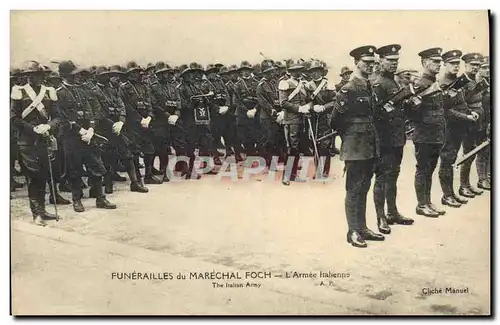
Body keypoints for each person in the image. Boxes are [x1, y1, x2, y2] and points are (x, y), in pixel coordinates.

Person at [330, 45, 384, 248]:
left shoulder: (370, 86)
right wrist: (350, 136)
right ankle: (352, 230)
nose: (370, 66)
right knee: (354, 189)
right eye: (366, 62)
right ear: (356, 63)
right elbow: (335, 120)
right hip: (355, 145)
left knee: (364, 187)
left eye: (373, 62)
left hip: (370, 144)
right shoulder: (349, 88)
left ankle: (362, 228)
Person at [56, 60, 117, 212]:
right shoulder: (59, 93)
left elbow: (93, 111)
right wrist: (80, 131)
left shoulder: (83, 90)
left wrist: (91, 129)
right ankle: (77, 199)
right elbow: (62, 117)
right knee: (74, 169)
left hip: (89, 135)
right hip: (71, 137)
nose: (77, 77)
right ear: (65, 75)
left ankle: (100, 198)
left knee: (96, 165)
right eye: (73, 74)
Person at [10, 61, 62, 225]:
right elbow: (14, 118)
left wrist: (48, 126)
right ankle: (36, 214)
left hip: (44, 139)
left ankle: (42, 210)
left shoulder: (49, 92)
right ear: (26, 76)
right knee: (33, 176)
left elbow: (58, 116)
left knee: (44, 174)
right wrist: (32, 129)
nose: (34, 78)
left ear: (42, 76)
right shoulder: (19, 92)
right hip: (27, 141)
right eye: (30, 75)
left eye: (37, 75)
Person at [372, 44, 415, 234]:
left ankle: (393, 212)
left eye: (396, 61)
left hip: (397, 137)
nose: (393, 64)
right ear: (380, 61)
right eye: (390, 61)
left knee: (393, 175)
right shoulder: (377, 83)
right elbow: (374, 113)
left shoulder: (396, 82)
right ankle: (381, 217)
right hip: (384, 138)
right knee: (382, 178)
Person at [92, 65, 149, 193]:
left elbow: (121, 106)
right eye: (103, 76)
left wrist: (121, 121)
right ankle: (108, 184)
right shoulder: (94, 91)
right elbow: (98, 112)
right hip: (104, 129)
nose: (106, 78)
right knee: (107, 157)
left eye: (107, 75)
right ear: (97, 77)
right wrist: (112, 124)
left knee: (127, 155)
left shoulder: (114, 90)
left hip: (118, 127)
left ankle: (134, 183)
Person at [407, 48, 446, 218]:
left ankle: (427, 202)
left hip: (436, 133)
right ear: (424, 63)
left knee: (430, 168)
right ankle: (421, 204)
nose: (438, 64)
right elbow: (412, 112)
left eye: (439, 62)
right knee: (423, 169)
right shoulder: (420, 84)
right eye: (434, 61)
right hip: (424, 134)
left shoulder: (434, 82)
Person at [438, 50, 473, 208]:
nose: (456, 66)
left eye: (457, 63)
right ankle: (447, 195)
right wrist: (466, 117)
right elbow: (446, 110)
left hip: (458, 127)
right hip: (448, 127)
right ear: (444, 64)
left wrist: (469, 112)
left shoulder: (459, 81)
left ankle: (451, 193)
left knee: (451, 160)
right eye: (452, 63)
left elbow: (461, 102)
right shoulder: (443, 82)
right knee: (447, 160)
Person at [119, 61, 163, 185]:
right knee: (135, 151)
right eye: (132, 73)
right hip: (133, 124)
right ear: (128, 74)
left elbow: (149, 103)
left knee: (150, 149)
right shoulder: (123, 87)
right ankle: (137, 177)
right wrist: (140, 119)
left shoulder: (144, 86)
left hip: (146, 122)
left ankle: (148, 175)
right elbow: (127, 107)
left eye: (137, 72)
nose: (135, 75)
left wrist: (149, 117)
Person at [278, 60, 311, 185]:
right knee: (291, 148)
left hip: (302, 119)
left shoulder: (303, 84)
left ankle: (292, 174)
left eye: (299, 70)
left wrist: (307, 107)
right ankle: (286, 176)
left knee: (298, 148)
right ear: (289, 72)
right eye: (294, 70)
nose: (297, 73)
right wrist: (299, 109)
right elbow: (283, 102)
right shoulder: (285, 83)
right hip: (291, 120)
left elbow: (307, 99)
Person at [458, 53, 486, 197]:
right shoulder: (461, 81)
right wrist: (469, 114)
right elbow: (461, 103)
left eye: (478, 65)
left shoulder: (475, 80)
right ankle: (463, 186)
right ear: (466, 65)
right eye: (473, 65)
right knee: (468, 153)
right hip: (468, 121)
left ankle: (467, 184)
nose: (476, 68)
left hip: (477, 120)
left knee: (473, 152)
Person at [304, 60, 336, 179]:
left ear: (321, 72)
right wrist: (310, 107)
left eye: (317, 71)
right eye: (312, 72)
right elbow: (307, 101)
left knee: (326, 144)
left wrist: (323, 107)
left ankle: (325, 170)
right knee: (315, 144)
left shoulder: (329, 84)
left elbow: (334, 101)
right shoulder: (308, 86)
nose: (314, 74)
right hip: (313, 118)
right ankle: (317, 170)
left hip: (326, 118)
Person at [234, 61, 261, 158]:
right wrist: (246, 111)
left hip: (255, 110)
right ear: (241, 72)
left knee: (256, 131)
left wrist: (255, 109)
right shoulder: (237, 84)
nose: (246, 72)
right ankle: (249, 153)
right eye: (243, 70)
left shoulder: (257, 83)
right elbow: (236, 100)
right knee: (245, 134)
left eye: (247, 70)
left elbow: (260, 98)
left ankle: (255, 151)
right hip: (243, 111)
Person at [476, 55, 490, 189]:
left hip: (490, 121)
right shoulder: (478, 85)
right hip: (480, 122)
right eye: (484, 67)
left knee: (490, 150)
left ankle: (489, 175)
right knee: (482, 149)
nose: (487, 70)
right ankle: (482, 178)